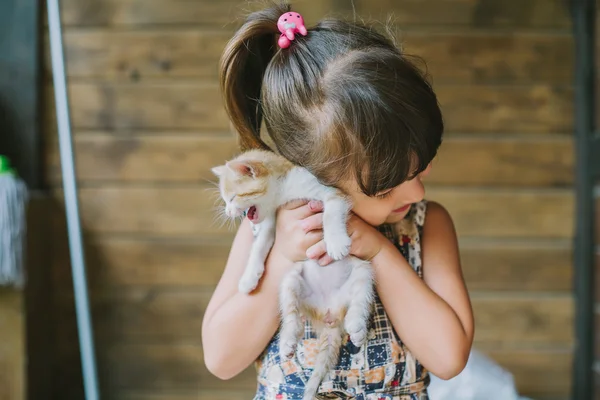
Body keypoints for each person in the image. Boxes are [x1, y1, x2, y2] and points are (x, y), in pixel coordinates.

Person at [202, 2, 474, 399]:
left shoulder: (425, 226)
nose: (417, 194)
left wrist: (379, 251)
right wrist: (280, 259)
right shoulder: (268, 229)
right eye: (386, 188)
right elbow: (221, 359)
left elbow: (449, 357)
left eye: (421, 169)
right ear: (311, 177)